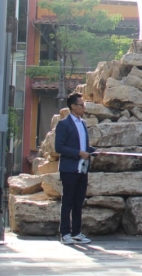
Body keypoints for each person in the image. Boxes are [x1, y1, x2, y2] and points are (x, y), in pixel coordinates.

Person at [55, 92, 96, 245]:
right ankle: (65, 233)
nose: (83, 107)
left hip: (82, 169)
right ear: (73, 106)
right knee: (68, 201)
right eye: (81, 105)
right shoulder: (63, 124)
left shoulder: (83, 124)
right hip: (69, 169)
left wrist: (92, 150)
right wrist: (79, 153)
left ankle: (77, 232)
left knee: (79, 201)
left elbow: (83, 146)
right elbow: (59, 147)